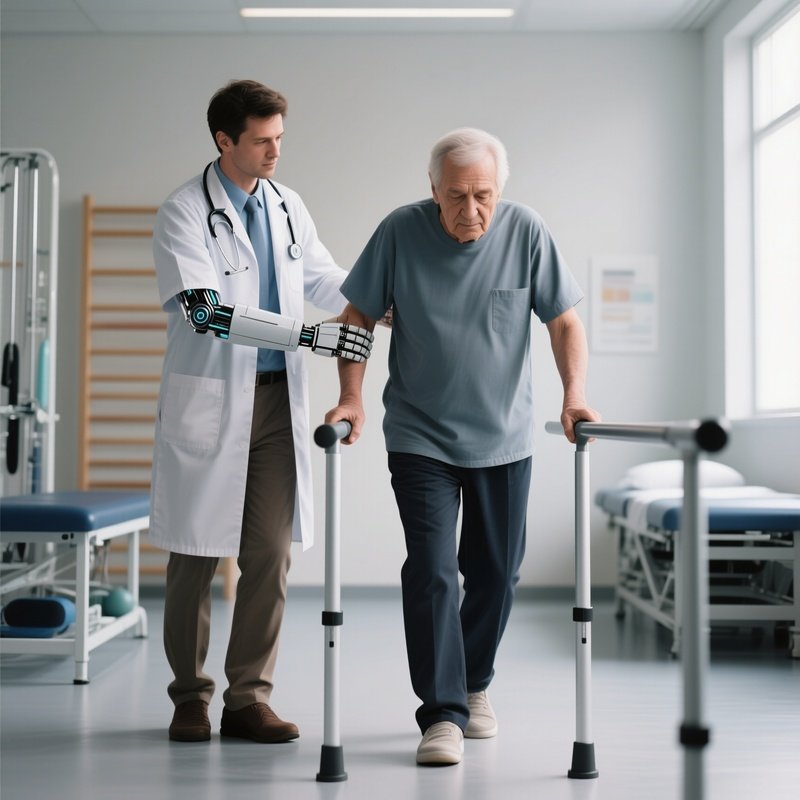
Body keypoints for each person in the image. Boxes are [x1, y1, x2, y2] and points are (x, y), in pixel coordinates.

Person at [325, 127, 599, 766]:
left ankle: (474, 683)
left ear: (500, 190)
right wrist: (351, 396)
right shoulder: (400, 231)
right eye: (456, 196)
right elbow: (357, 316)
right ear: (433, 188)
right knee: (433, 569)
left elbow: (563, 321)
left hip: (505, 436)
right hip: (419, 434)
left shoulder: (526, 231)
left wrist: (574, 395)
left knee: (497, 573)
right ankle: (442, 714)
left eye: (483, 196)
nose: (470, 210)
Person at [149, 79, 372, 745]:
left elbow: (323, 278)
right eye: (262, 140)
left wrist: (387, 299)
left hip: (276, 402)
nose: (276, 151)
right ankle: (190, 697)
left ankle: (248, 698)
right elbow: (205, 312)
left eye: (280, 138)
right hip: (212, 400)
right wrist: (309, 336)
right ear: (225, 140)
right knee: (194, 555)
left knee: (270, 555)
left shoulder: (286, 204)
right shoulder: (184, 211)